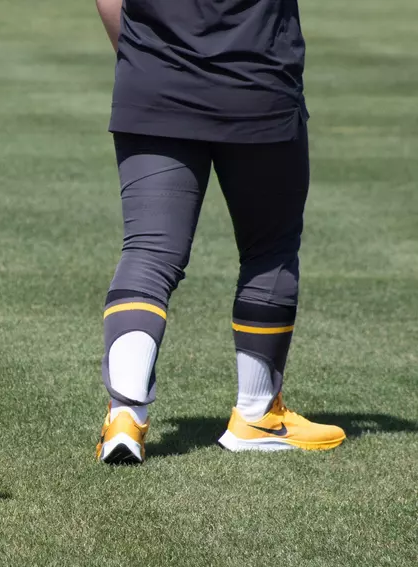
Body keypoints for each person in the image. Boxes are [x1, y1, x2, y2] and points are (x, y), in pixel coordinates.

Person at [93, 0, 346, 463]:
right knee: (269, 250)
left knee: (149, 252)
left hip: (153, 80)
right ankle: (256, 415)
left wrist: (143, 60)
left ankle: (125, 416)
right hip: (257, 82)